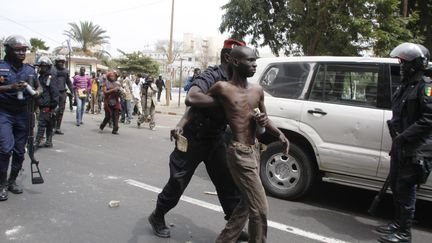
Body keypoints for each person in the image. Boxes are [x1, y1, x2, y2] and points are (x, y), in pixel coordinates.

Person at [148, 39, 252, 241]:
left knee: (227, 184)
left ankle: (234, 227)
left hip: (217, 139)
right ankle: (157, 216)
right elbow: (192, 99)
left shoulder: (238, 81)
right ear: (229, 58)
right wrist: (225, 101)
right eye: (241, 57)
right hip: (194, 137)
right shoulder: (211, 76)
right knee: (178, 182)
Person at [208, 46, 289, 243]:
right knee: (260, 210)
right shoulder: (222, 88)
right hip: (239, 152)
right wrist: (183, 124)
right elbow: (199, 105)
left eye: (255, 61)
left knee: (246, 203)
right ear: (235, 62)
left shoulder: (258, 90)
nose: (254, 65)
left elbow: (264, 119)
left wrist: (278, 133)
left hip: (254, 152)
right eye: (250, 61)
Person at [376, 43, 432, 243]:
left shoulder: (426, 87)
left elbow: (428, 119)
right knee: (397, 185)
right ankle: (397, 224)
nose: (401, 65)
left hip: (414, 148)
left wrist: (405, 135)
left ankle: (404, 233)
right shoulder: (407, 85)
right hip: (400, 145)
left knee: (406, 188)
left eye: (405, 62)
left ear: (417, 63)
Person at [0, 35, 39, 201]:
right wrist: (11, 87)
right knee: (5, 149)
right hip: (4, 113)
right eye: (18, 49)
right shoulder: (1, 67)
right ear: (8, 49)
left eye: (24, 50)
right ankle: (1, 184)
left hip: (23, 114)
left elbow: (40, 88)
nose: (22, 52)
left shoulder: (30, 70)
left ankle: (12, 181)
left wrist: (36, 93)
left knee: (19, 151)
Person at [34, 56, 59, 148]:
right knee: (49, 123)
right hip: (44, 103)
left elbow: (54, 91)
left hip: (48, 104)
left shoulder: (49, 77)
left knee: (42, 123)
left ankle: (37, 142)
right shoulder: (41, 76)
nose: (41, 68)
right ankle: (48, 141)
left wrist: (53, 105)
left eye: (43, 66)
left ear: (48, 67)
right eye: (40, 66)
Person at [52, 55, 73, 134]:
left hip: (63, 92)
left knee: (61, 110)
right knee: (54, 110)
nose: (61, 63)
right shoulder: (52, 70)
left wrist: (72, 91)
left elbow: (68, 82)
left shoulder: (65, 71)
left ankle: (58, 127)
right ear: (56, 62)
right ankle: (52, 127)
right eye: (60, 62)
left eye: (63, 62)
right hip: (54, 93)